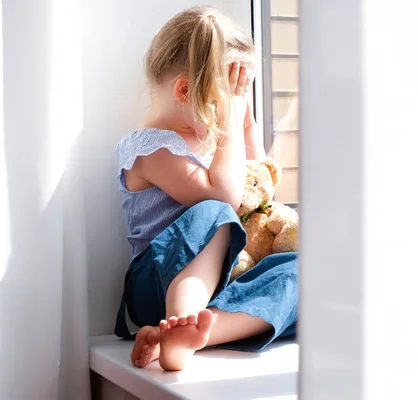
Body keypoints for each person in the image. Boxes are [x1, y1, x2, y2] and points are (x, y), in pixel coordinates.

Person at [113, 6, 298, 371]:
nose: (230, 112)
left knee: (305, 272)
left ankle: (192, 335)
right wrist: (229, 125)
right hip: (157, 285)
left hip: (221, 290)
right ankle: (180, 318)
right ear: (184, 90)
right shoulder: (150, 148)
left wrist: (246, 127)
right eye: (225, 100)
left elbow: (258, 195)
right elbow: (223, 199)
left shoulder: (216, 150)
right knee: (214, 212)